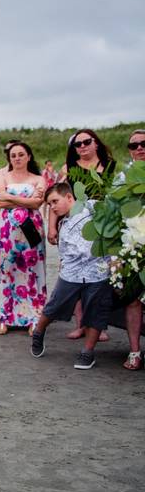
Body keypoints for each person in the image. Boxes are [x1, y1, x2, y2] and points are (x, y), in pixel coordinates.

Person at [31, 183, 112, 370]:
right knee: (55, 305)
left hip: (98, 270)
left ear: (69, 197)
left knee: (96, 311)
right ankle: (39, 331)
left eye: (55, 202)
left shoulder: (92, 207)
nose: (53, 207)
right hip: (72, 273)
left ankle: (88, 351)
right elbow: (64, 249)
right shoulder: (64, 223)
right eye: (50, 204)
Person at [0, 141, 47, 334]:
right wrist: (26, 201)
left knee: (33, 271)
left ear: (29, 156)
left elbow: (37, 202)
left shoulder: (38, 179)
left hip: (31, 229)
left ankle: (34, 318)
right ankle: (5, 317)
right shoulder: (2, 176)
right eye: (13, 155)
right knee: (7, 271)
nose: (17, 158)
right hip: (7, 231)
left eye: (21, 154)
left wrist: (11, 199)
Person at [49, 129, 116, 244]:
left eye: (87, 142)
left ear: (96, 144)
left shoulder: (109, 164)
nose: (82, 145)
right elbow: (55, 197)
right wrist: (51, 227)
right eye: (78, 144)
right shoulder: (68, 168)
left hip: (103, 221)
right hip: (74, 221)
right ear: (74, 148)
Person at [118, 130, 145, 370]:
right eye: (134, 145)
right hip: (133, 243)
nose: (139, 148)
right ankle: (134, 351)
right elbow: (114, 206)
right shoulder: (123, 176)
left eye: (143, 144)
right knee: (133, 299)